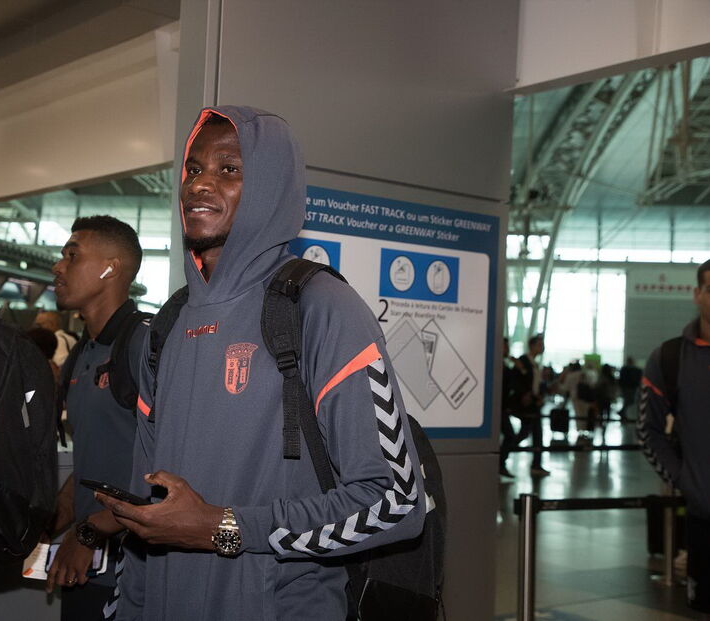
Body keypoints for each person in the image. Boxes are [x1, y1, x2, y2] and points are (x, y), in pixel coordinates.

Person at [95, 106, 426, 620]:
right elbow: (148, 507)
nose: (200, 185)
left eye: (229, 170)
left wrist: (224, 528)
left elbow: (396, 503)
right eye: (194, 169)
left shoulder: (319, 308)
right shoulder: (168, 322)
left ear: (271, 186)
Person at [44, 216, 146, 621]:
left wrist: (90, 530)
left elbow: (169, 466)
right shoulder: (81, 356)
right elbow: (94, 462)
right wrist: (51, 519)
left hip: (135, 572)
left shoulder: (144, 346)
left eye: (72, 255)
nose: (58, 266)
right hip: (87, 568)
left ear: (111, 268)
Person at [639, 258, 710, 618]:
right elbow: (648, 429)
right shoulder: (670, 358)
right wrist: (684, 479)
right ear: (697, 294)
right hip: (704, 519)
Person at [510, 334, 549, 476]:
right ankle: (504, 452)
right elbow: (517, 381)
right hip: (526, 404)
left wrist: (539, 395)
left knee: (536, 434)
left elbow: (535, 384)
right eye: (539, 344)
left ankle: (536, 464)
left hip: (534, 403)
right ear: (532, 345)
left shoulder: (535, 364)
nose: (542, 347)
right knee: (526, 432)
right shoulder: (524, 361)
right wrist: (527, 395)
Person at [500, 336, 519, 477]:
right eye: (505, 346)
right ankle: (500, 463)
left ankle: (500, 463)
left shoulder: (505, 366)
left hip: (503, 408)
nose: (507, 349)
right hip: (500, 410)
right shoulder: (500, 367)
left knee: (510, 436)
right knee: (510, 435)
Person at [618, 356, 642, 421]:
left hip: (627, 387)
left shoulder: (625, 369)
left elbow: (621, 379)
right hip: (631, 387)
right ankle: (623, 413)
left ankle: (623, 412)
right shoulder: (635, 369)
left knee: (628, 400)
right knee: (629, 400)